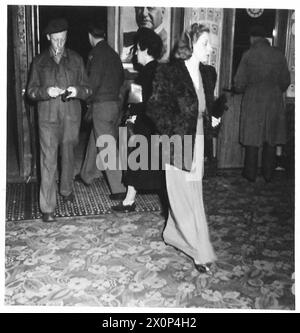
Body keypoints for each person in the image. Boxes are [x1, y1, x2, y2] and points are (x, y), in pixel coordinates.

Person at [146, 24, 217, 273]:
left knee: (192, 194)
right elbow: (155, 108)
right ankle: (200, 251)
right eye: (205, 43)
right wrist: (174, 131)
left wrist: (210, 118)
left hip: (198, 142)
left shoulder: (208, 74)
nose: (211, 48)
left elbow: (204, 107)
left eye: (210, 44)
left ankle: (173, 234)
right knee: (183, 197)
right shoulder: (169, 72)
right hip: (177, 143)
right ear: (191, 45)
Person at [27, 18, 92, 222]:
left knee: (69, 155)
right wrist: (46, 91)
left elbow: (88, 89)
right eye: (55, 40)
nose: (59, 44)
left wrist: (77, 91)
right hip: (47, 118)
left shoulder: (76, 59)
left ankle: (66, 189)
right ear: (48, 38)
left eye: (62, 39)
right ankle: (47, 207)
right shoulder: (39, 62)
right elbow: (30, 92)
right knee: (48, 160)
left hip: (71, 117)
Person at [112, 27, 163, 212]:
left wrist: (129, 121)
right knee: (158, 165)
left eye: (137, 49)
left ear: (145, 49)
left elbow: (134, 104)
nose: (135, 54)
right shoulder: (162, 70)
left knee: (134, 162)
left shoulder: (142, 76)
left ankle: (129, 201)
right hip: (158, 127)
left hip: (143, 126)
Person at [76, 22, 126, 200]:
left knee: (106, 145)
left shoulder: (95, 54)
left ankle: (119, 187)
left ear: (90, 36)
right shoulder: (113, 53)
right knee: (95, 138)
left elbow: (93, 83)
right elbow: (121, 77)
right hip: (114, 105)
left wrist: (87, 101)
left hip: (101, 105)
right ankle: (86, 174)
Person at [234, 25, 290, 183]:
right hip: (274, 101)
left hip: (253, 101)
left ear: (252, 38)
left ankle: (250, 174)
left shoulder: (248, 55)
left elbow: (239, 83)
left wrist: (241, 89)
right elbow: (286, 81)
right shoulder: (279, 55)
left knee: (252, 139)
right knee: (271, 139)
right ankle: (268, 174)